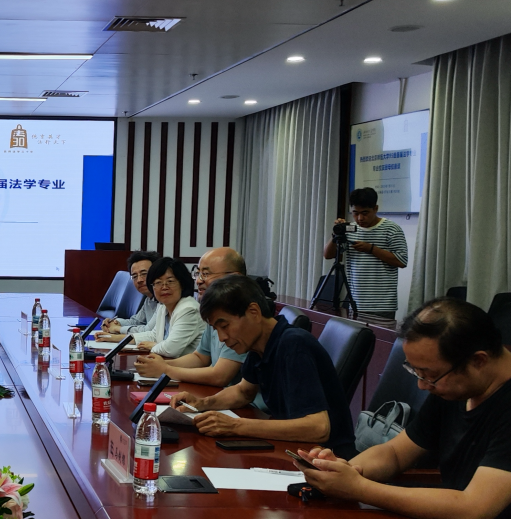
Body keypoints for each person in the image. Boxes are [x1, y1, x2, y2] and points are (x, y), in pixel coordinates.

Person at [296, 298, 511, 519]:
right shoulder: (456, 386)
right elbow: (395, 453)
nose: (422, 385)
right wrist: (345, 471)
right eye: (417, 373)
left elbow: (474, 507)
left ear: (478, 361)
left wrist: (358, 488)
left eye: (430, 375)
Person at [171, 275, 356, 459]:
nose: (221, 337)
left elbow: (318, 428)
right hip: (294, 449)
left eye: (225, 326)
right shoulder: (258, 345)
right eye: (216, 329)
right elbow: (243, 392)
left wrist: (235, 425)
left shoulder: (294, 345)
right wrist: (201, 404)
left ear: (254, 312)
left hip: (328, 459)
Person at [134, 247, 248, 385]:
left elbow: (220, 376)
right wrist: (159, 365)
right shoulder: (214, 313)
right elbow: (200, 358)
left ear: (234, 277)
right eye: (198, 273)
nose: (198, 281)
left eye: (205, 274)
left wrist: (166, 369)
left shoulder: (243, 315)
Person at [323, 187, 408, 319]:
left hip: (382, 304)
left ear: (375, 208)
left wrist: (371, 249)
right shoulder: (350, 229)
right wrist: (336, 234)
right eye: (355, 213)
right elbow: (328, 255)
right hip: (355, 302)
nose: (360, 218)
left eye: (365, 213)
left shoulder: (392, 229)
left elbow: (401, 261)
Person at [105, 257, 204, 358]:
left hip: (187, 366)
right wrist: (112, 338)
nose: (164, 287)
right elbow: (153, 335)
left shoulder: (189, 309)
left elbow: (170, 350)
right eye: (158, 283)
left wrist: (153, 346)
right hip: (167, 363)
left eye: (170, 281)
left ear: (182, 284)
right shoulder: (163, 306)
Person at [100, 251, 160, 334]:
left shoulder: (165, 301)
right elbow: (136, 321)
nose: (139, 280)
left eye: (144, 274)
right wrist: (115, 322)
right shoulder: (149, 299)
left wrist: (117, 329)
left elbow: (149, 330)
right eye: (135, 276)